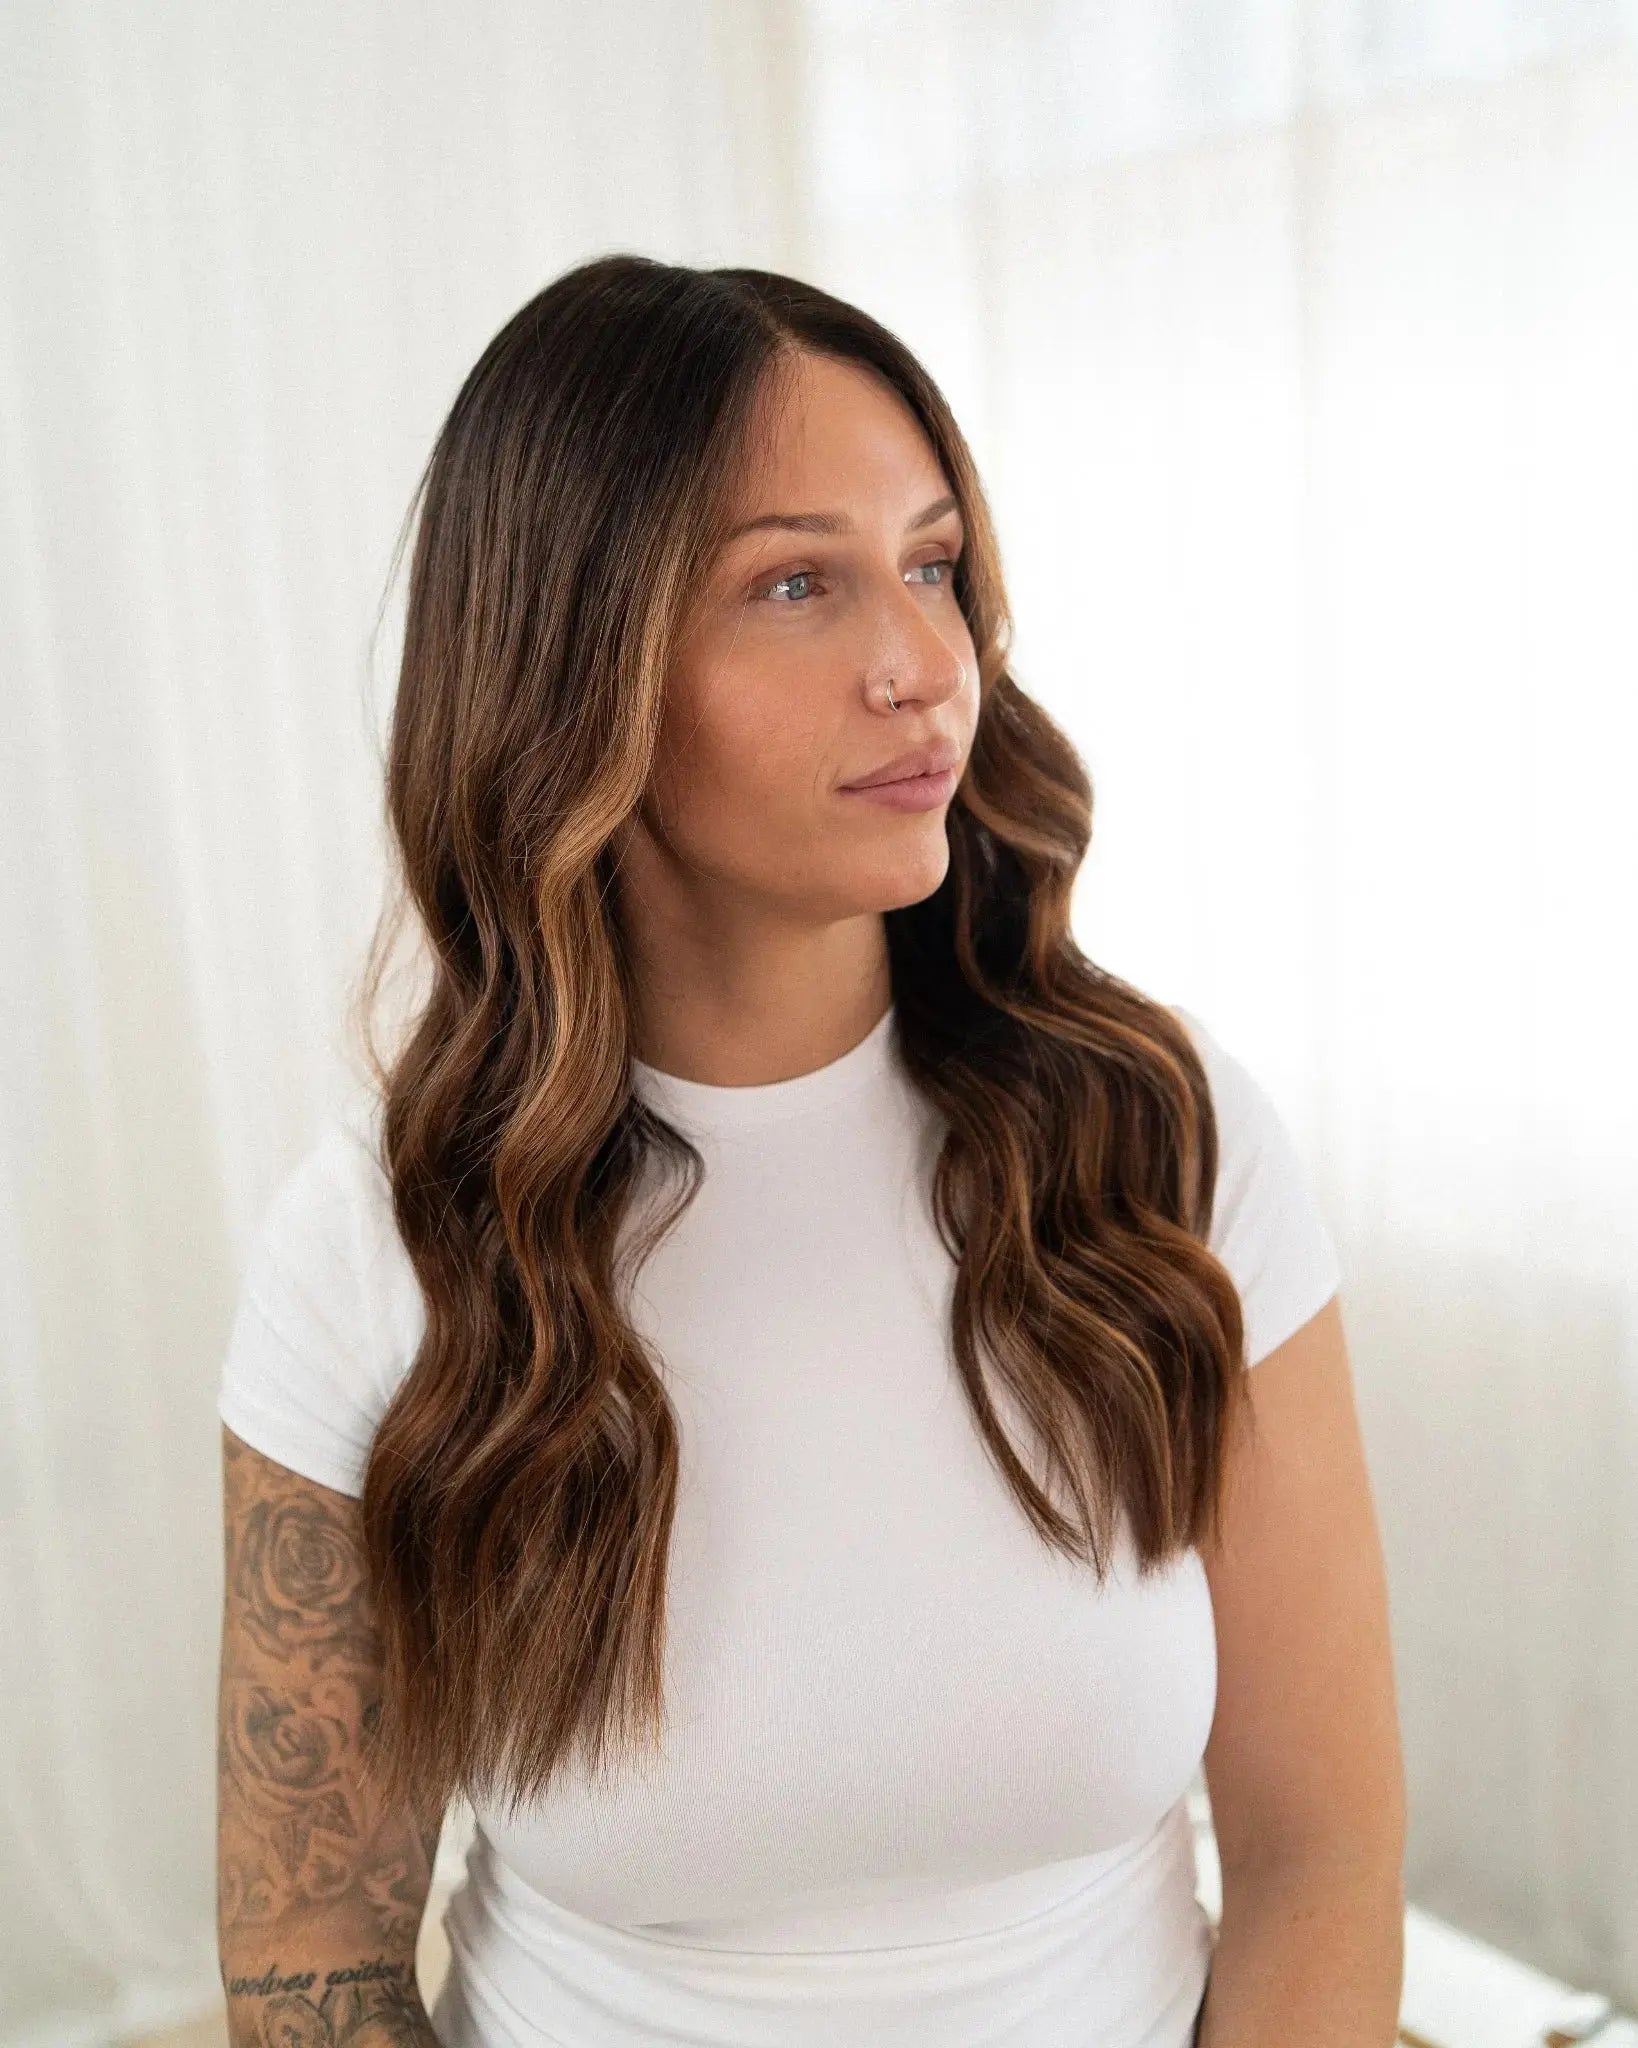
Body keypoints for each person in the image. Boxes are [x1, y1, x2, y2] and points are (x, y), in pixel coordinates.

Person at [215, 256, 1404, 2047]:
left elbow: (1321, 1861)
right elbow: (313, 1962)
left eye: (930, 567)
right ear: (569, 664)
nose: (923, 666)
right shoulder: (383, 1248)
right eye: (795, 584)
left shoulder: (1165, 1144)